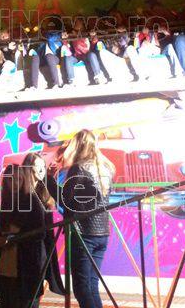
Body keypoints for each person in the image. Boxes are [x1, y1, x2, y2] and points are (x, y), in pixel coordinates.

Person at [60, 129, 116, 308]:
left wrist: (49, 182)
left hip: (83, 233)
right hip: (102, 233)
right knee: (91, 285)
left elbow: (65, 201)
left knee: (82, 287)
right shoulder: (106, 168)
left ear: (77, 145)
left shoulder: (79, 168)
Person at [0, 164, 47, 308]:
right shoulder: (7, 201)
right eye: (11, 179)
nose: (15, 183)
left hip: (26, 265)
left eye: (19, 179)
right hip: (7, 264)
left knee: (23, 302)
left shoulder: (32, 201)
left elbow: (40, 233)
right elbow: (2, 230)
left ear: (24, 180)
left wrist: (11, 239)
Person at [21, 153, 66, 298]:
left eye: (43, 166)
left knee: (37, 284)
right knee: (29, 287)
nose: (41, 170)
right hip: (27, 245)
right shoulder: (21, 191)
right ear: (28, 168)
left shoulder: (45, 190)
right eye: (37, 166)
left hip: (43, 242)